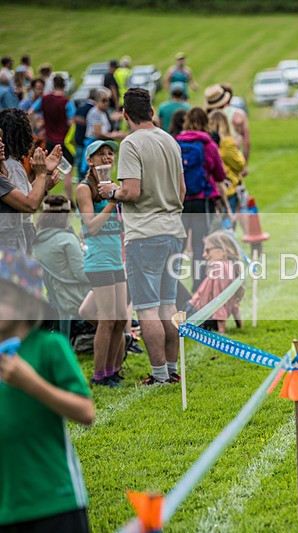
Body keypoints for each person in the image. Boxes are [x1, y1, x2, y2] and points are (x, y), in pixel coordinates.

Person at [0, 247, 95, 533]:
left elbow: (86, 412)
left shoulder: (49, 347)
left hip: (56, 501)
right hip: (7, 507)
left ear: (26, 302)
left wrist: (33, 384)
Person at [98, 88, 186, 386]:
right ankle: (172, 369)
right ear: (151, 111)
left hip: (145, 234)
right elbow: (182, 191)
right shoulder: (170, 140)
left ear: (124, 115)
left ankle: (160, 375)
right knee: (169, 305)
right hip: (174, 230)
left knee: (148, 308)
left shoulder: (132, 143)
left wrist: (112, 191)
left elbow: (132, 192)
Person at [76, 140, 128, 387]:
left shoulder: (113, 188)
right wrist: (111, 201)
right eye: (102, 154)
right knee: (107, 320)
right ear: (90, 160)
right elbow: (92, 227)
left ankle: (113, 370)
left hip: (117, 260)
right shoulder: (84, 189)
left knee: (119, 320)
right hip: (98, 262)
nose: (108, 158)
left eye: (110, 154)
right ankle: (100, 376)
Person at [176, 107, 228, 290]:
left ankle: (172, 284)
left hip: (180, 200)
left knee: (178, 244)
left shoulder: (175, 143)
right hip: (202, 200)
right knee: (200, 245)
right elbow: (220, 175)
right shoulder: (208, 144)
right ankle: (199, 286)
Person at [0, 109, 62, 253]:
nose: (1, 144)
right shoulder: (13, 167)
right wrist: (41, 175)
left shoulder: (8, 167)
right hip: (10, 238)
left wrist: (44, 182)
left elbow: (21, 198)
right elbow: (28, 206)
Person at [31, 195, 91, 324]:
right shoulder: (67, 240)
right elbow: (82, 274)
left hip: (55, 300)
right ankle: (126, 336)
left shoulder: (36, 241)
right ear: (65, 216)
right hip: (76, 299)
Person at [186, 231, 244, 334]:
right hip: (207, 319)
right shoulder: (231, 267)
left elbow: (219, 300)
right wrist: (240, 325)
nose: (204, 255)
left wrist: (222, 332)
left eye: (208, 250)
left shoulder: (219, 269)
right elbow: (233, 302)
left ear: (223, 251)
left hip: (198, 318)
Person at [30, 74, 75, 199]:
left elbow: (31, 112)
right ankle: (70, 200)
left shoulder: (44, 99)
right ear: (64, 86)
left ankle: (42, 198)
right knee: (68, 173)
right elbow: (71, 121)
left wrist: (37, 127)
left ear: (53, 85)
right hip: (64, 141)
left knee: (44, 172)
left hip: (48, 140)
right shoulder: (67, 102)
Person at [208, 109, 247, 214]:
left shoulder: (207, 142)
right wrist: (238, 149)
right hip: (228, 185)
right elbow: (239, 164)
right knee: (229, 223)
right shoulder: (227, 142)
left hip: (212, 188)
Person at [79, 87, 125, 175]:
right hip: (94, 143)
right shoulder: (95, 113)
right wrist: (113, 135)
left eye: (108, 100)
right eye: (104, 100)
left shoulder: (102, 112)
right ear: (97, 100)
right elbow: (98, 133)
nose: (106, 103)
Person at [205, 83, 251, 166]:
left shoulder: (206, 117)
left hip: (214, 163)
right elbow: (247, 142)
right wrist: (244, 165)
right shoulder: (239, 115)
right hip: (234, 159)